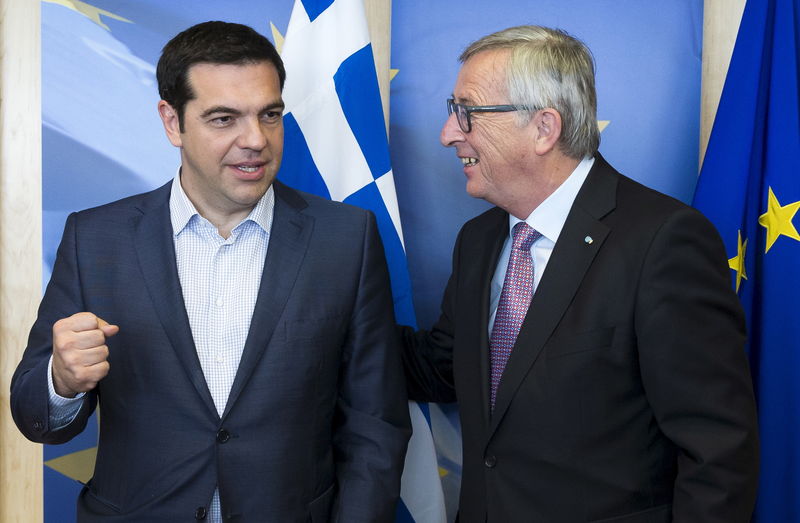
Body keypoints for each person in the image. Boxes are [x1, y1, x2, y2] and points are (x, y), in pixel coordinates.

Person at [11, 21, 410, 522]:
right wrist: (61, 381)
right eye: (224, 119)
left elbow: (375, 425)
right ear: (172, 122)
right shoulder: (95, 239)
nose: (255, 140)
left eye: (270, 115)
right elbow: (35, 416)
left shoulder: (347, 239)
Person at [401, 25, 759, 523]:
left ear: (544, 128)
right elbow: (446, 367)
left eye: (468, 112)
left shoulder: (662, 241)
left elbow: (717, 453)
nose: (448, 133)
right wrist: (325, 318)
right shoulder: (479, 241)